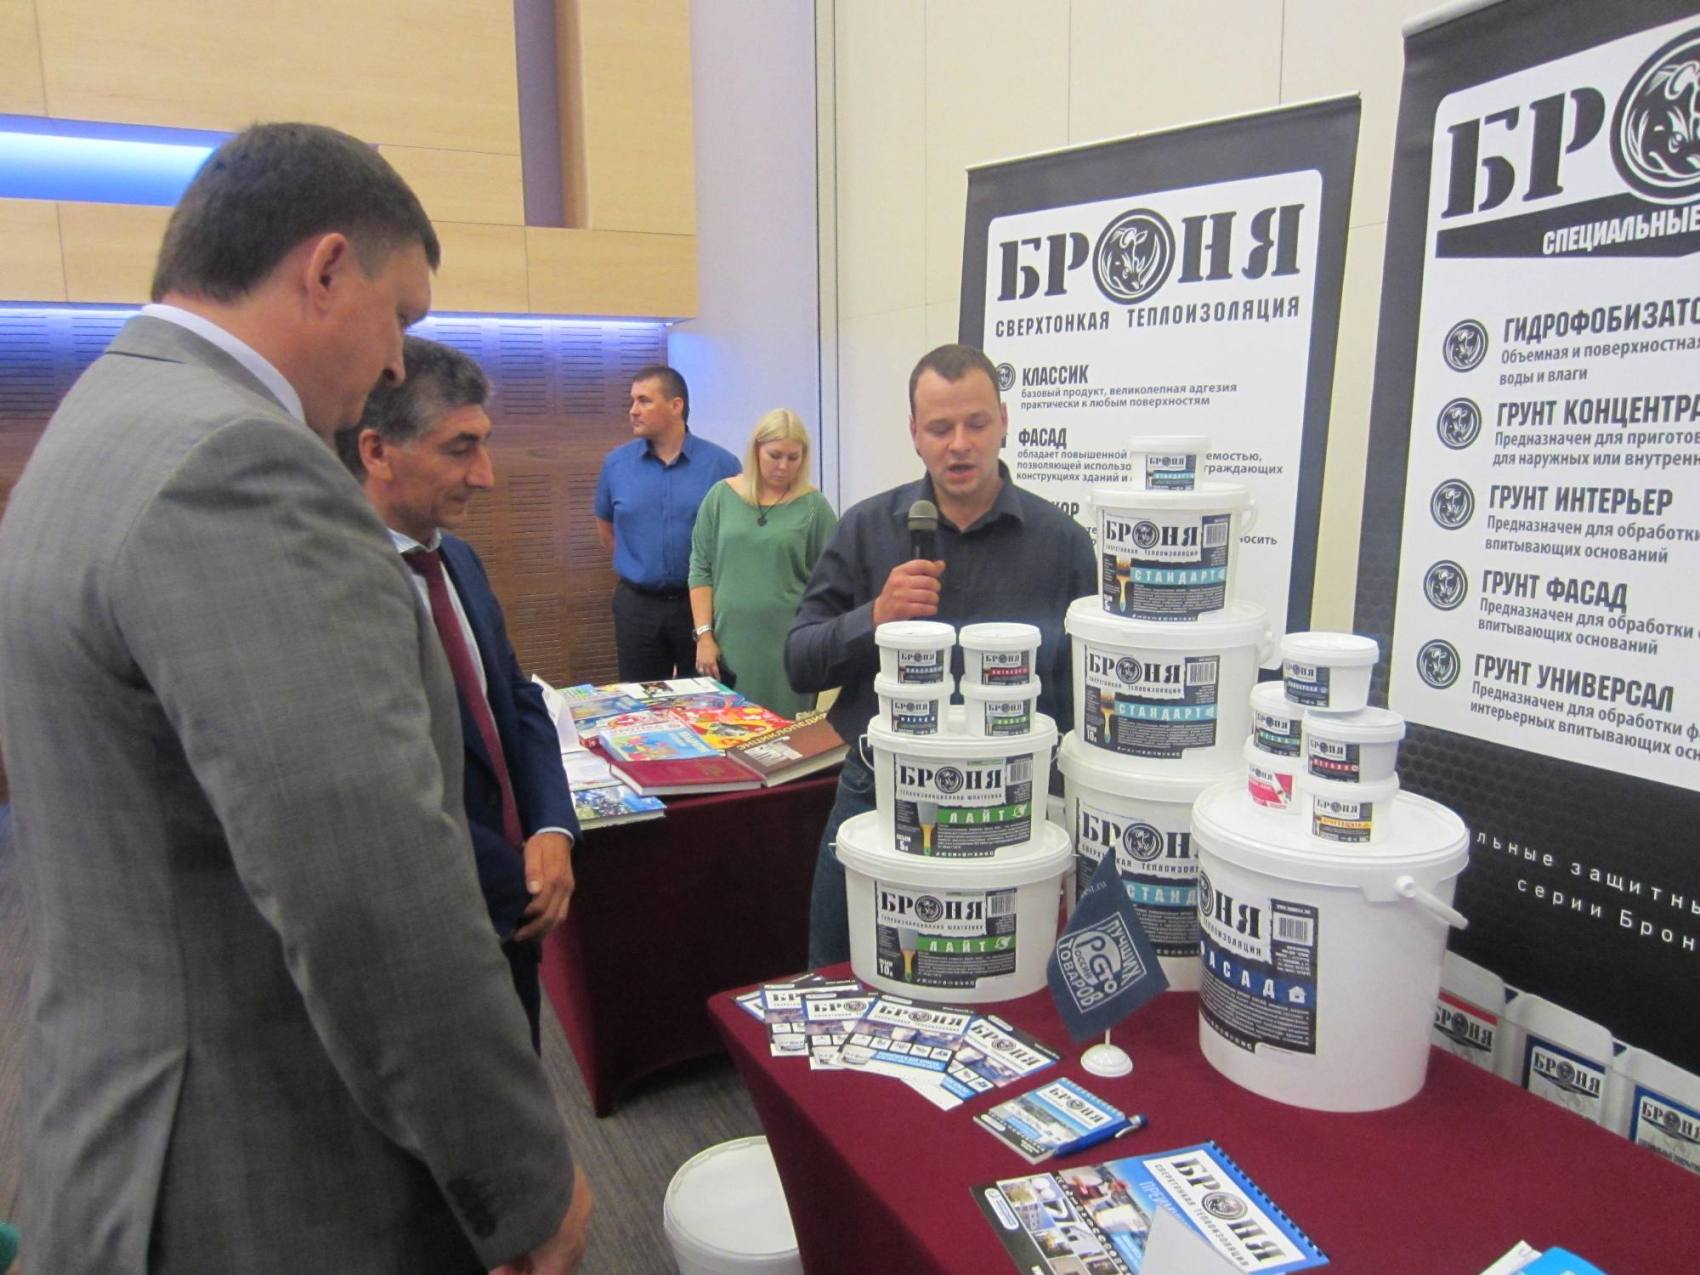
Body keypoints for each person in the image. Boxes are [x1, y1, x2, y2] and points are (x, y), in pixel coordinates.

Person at [0, 123, 590, 1273]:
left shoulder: (99, 420)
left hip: (111, 1129)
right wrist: (521, 1183)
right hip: (255, 1170)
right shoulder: (240, 463)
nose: (394, 364)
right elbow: (367, 893)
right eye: (399, 316)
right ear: (324, 271)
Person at [785, 343, 1097, 968]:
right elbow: (800, 662)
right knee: (839, 969)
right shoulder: (866, 528)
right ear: (914, 434)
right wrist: (874, 617)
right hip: (878, 788)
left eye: (976, 423)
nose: (959, 444)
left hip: (1011, 802)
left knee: (1000, 982)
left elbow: (1079, 701)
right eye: (939, 428)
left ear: (1003, 421)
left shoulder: (1062, 543)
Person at [338, 336, 581, 1053]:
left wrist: (553, 828)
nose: (487, 476)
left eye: (485, 444)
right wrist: (517, 885)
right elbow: (378, 787)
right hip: (425, 929)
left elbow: (516, 699)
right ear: (377, 451)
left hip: (513, 916)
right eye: (460, 448)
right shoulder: (334, 587)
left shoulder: (460, 559)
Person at [594, 365, 741, 680]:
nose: (633, 410)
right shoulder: (617, 465)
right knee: (639, 698)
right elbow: (607, 530)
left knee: (707, 697)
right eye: (632, 401)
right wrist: (643, 566)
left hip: (701, 606)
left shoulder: (721, 466)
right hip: (637, 606)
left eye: (644, 401)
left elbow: (736, 539)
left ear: (676, 406)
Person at [688, 408, 837, 716]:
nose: (783, 466)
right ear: (756, 450)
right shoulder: (720, 497)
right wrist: (704, 635)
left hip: (788, 643)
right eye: (775, 455)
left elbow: (831, 580)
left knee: (785, 732)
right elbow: (701, 569)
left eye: (793, 458)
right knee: (729, 725)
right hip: (730, 641)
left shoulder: (813, 507)